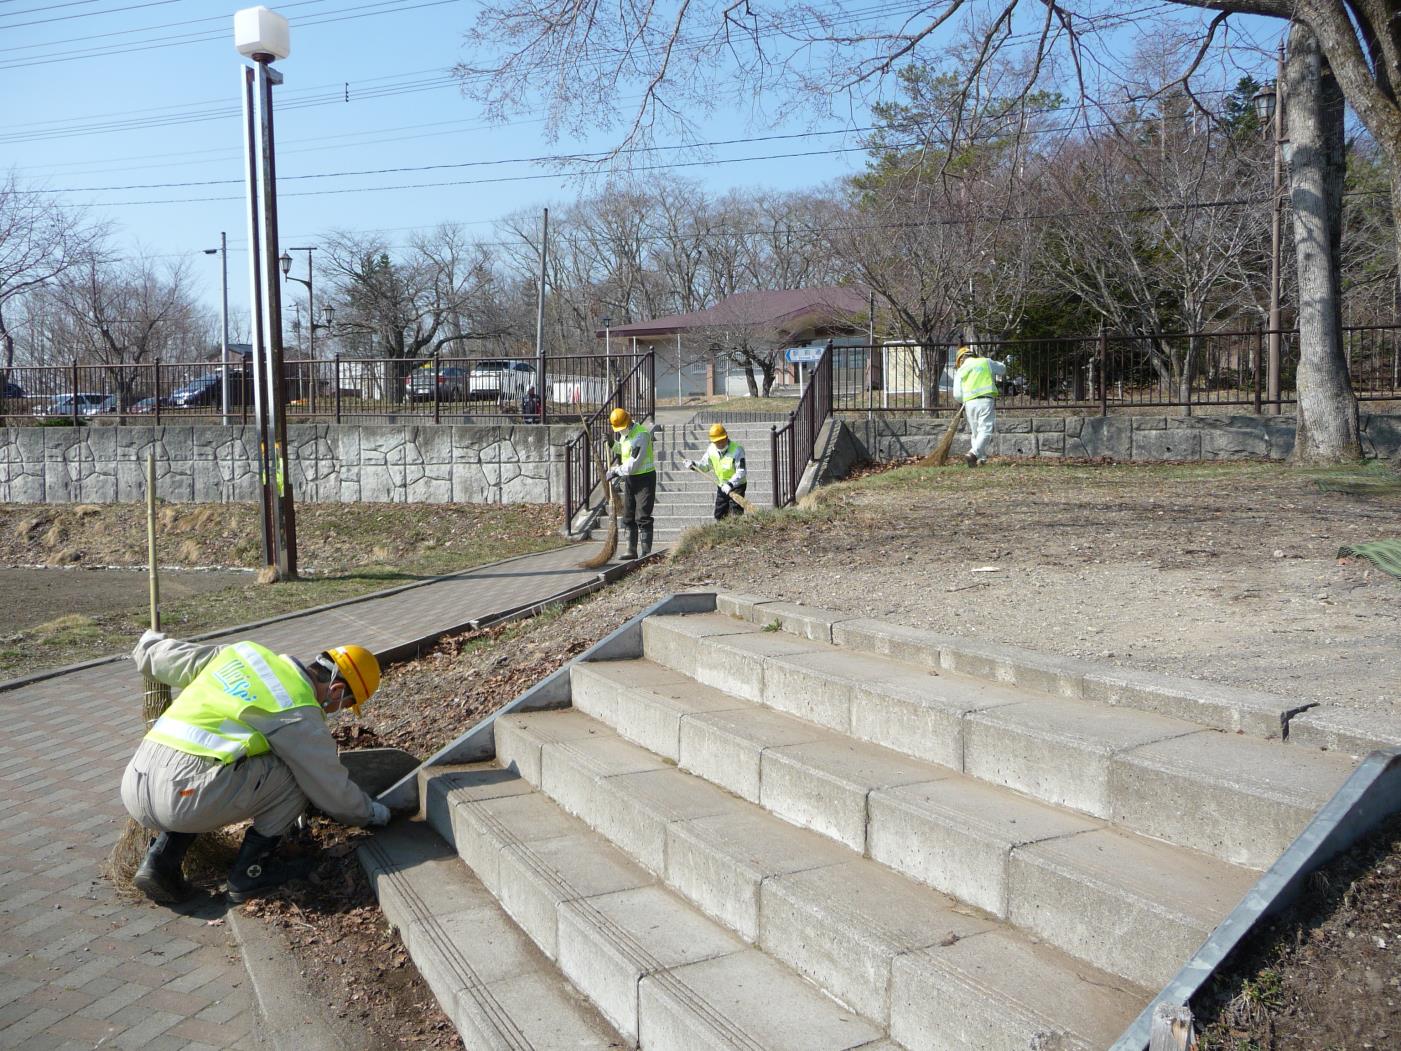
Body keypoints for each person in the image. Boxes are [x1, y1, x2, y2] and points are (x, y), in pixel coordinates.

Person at [120, 634, 392, 905]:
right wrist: (373, 814)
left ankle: (160, 862)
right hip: (185, 800)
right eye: (344, 704)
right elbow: (330, 788)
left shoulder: (244, 656)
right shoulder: (298, 710)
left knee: (217, 764)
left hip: (135, 783)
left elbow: (160, 657)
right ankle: (252, 872)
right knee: (299, 772)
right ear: (337, 690)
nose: (337, 710)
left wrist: (148, 642)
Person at [604, 407, 657, 559]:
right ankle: (630, 550)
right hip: (630, 479)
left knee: (643, 515)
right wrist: (612, 443)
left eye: (622, 428)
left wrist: (615, 471)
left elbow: (634, 463)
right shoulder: (624, 435)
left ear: (629, 420)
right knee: (628, 515)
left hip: (645, 478)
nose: (620, 431)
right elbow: (624, 450)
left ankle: (646, 552)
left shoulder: (642, 435)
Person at [685, 423, 747, 520]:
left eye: (722, 440)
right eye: (717, 442)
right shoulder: (711, 449)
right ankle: (722, 533)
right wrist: (694, 465)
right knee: (719, 514)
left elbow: (741, 471)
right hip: (722, 486)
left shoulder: (737, 450)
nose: (720, 444)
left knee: (736, 514)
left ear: (726, 437)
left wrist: (730, 484)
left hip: (737, 486)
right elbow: (705, 466)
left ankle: (736, 533)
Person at [953, 345, 998, 467]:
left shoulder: (961, 370)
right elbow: (1002, 369)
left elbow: (957, 394)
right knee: (985, 429)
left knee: (975, 432)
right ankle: (973, 453)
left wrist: (963, 399)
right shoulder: (985, 362)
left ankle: (980, 459)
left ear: (960, 360)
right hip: (985, 400)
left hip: (970, 403)